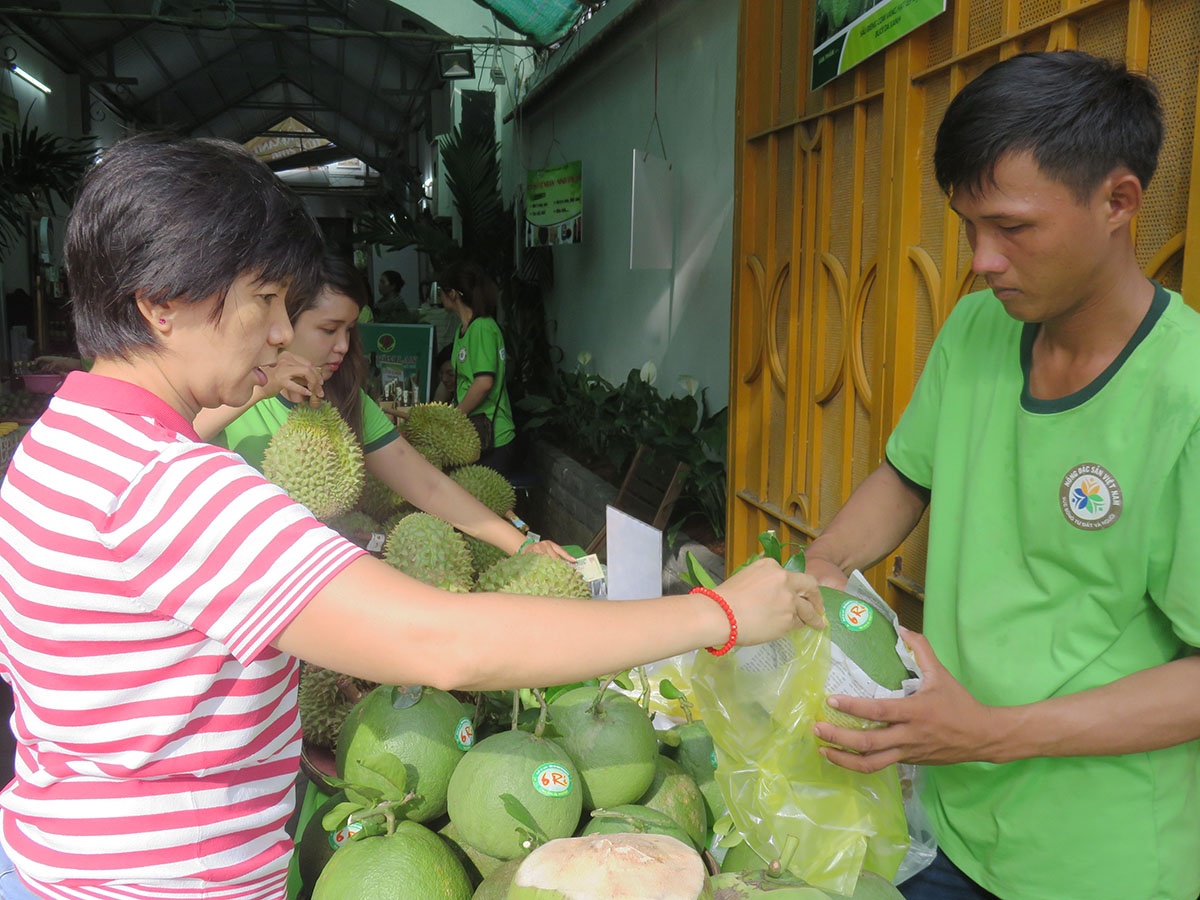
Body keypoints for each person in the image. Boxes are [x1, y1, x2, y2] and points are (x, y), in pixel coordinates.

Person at [0, 133, 825, 900]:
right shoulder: (173, 487)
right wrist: (717, 613)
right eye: (264, 300)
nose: (284, 332)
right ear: (160, 304)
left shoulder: (63, 442)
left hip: (60, 857)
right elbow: (446, 642)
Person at [802, 52, 1200, 900]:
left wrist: (987, 733)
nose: (982, 260)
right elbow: (908, 476)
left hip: (1099, 859)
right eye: (967, 227)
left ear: (1118, 202)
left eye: (1013, 228)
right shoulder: (980, 330)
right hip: (950, 822)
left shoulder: (1186, 396)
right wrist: (826, 566)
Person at [193, 253, 565, 562]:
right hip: (243, 577)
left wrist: (525, 546)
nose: (342, 345)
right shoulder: (234, 388)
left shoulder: (347, 400)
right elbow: (167, 441)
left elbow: (429, 486)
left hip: (318, 579)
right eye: (328, 330)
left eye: (349, 330)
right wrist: (262, 387)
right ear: (284, 324)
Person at [439, 260, 518, 475]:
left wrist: (454, 417)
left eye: (442, 291)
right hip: (473, 432)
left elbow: (483, 383)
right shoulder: (463, 330)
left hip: (492, 434)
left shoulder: (482, 328)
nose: (440, 296)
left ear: (453, 293)